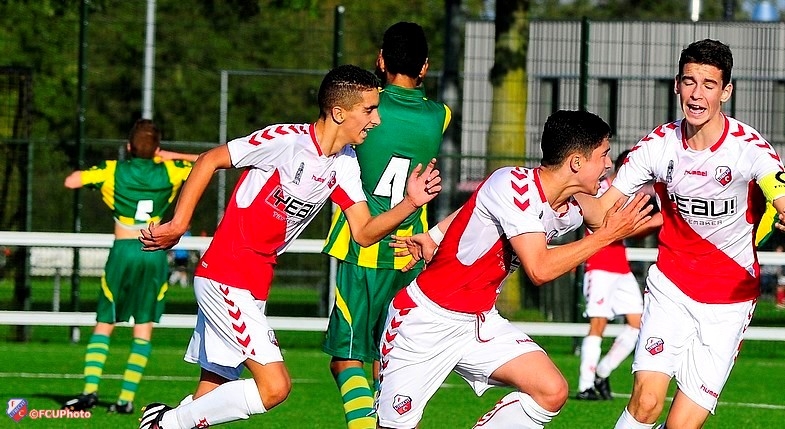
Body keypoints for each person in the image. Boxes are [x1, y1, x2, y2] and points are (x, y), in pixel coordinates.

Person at [136, 64, 442, 429]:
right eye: (369, 110)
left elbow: (362, 232)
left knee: (210, 395)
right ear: (339, 112)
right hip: (225, 275)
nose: (376, 120)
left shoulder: (344, 165)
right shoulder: (286, 140)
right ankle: (163, 423)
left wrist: (409, 204)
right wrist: (179, 224)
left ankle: (166, 421)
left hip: (254, 283)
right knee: (275, 387)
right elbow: (210, 159)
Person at [376, 109, 655, 429]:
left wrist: (649, 160)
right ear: (576, 163)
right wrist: (606, 237)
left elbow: (603, 212)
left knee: (551, 391)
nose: (608, 165)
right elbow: (540, 268)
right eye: (603, 155)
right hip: (424, 320)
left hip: (479, 322)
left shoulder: (570, 205)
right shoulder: (514, 186)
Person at [573, 39, 785, 429]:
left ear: (726, 92)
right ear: (676, 85)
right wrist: (563, 188)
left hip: (728, 303)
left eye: (708, 84)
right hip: (672, 288)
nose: (697, 94)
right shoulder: (656, 146)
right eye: (689, 82)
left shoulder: (750, 149)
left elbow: (779, 190)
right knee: (646, 403)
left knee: (681, 425)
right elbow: (601, 212)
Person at [320, 21, 450, 429]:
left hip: (362, 246)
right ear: (425, 66)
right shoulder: (439, 116)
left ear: (380, 60)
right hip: (409, 251)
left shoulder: (365, 108)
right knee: (386, 357)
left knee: (346, 357)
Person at [61, 119, 197, 415]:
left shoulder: (113, 170)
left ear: (128, 147)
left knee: (106, 320)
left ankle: (89, 391)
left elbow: (72, 181)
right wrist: (172, 156)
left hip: (123, 250)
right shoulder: (170, 171)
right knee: (143, 325)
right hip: (153, 251)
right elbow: (207, 163)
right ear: (157, 149)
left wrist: (100, 182)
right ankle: (125, 399)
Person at [576, 150, 648, 401]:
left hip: (620, 265)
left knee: (638, 324)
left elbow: (632, 230)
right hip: (599, 264)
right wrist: (661, 219)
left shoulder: (630, 196)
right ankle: (585, 385)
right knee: (598, 324)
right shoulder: (602, 191)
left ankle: (602, 371)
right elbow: (610, 227)